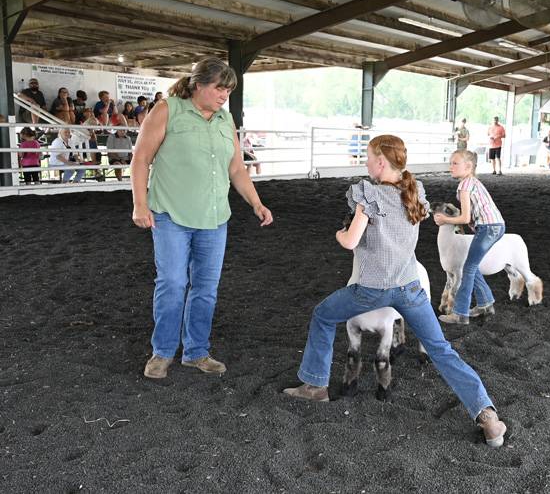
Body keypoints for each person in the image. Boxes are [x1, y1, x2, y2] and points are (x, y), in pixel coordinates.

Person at [282, 135, 508, 447]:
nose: (365, 162)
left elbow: (350, 241)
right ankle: (487, 416)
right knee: (441, 350)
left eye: (368, 156)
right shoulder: (414, 191)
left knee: (322, 315)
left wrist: (339, 233)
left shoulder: (368, 194)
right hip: (410, 288)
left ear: (381, 162)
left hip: (371, 289)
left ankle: (315, 386)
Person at [130, 58, 274, 380]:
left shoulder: (225, 119)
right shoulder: (168, 110)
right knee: (172, 283)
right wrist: (140, 204)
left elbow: (236, 168)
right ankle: (163, 352)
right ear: (198, 85)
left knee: (206, 288)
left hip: (214, 217)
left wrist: (256, 203)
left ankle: (196, 352)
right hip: (171, 215)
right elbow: (140, 160)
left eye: (229, 90)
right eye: (219, 88)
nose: (225, 95)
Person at [436, 149, 505, 325]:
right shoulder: (472, 182)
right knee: (471, 267)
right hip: (493, 226)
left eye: (455, 163)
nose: (450, 166)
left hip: (488, 227)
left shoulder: (465, 185)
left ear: (468, 166)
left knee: (468, 269)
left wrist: (445, 219)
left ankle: (460, 313)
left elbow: (465, 218)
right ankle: (485, 304)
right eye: (450, 163)